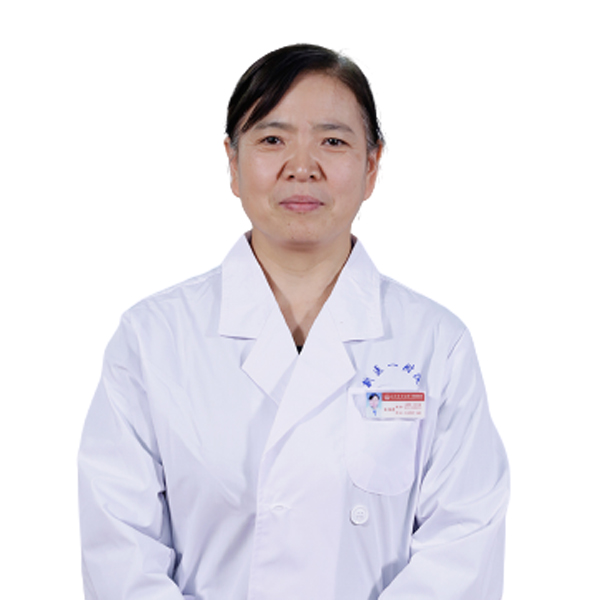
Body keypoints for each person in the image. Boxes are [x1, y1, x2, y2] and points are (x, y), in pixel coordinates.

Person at [78, 43, 509, 599]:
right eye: (272, 140)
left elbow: (463, 547)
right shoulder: (152, 340)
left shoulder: (435, 344)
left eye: (333, 141)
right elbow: (121, 553)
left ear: (372, 165)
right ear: (232, 163)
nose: (302, 167)